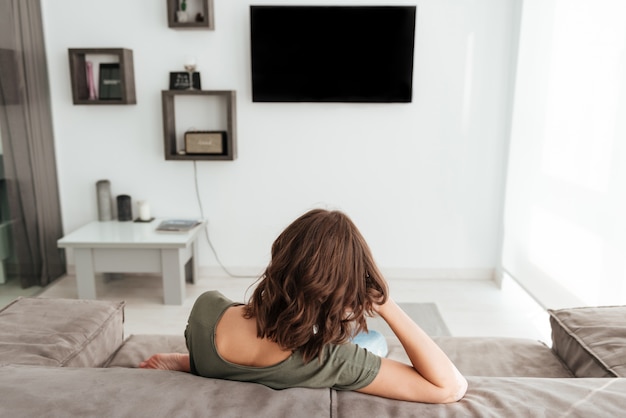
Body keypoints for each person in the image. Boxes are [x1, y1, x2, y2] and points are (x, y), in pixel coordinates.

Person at [140, 209, 467, 403]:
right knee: (375, 342)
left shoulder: (207, 308)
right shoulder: (331, 360)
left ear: (280, 257)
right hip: (308, 353)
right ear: (344, 287)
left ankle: (186, 362)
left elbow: (252, 328)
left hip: (213, 355)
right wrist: (386, 304)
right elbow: (450, 387)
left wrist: (193, 362)